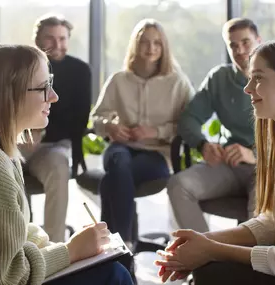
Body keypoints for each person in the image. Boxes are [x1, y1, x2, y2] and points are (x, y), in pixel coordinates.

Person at [0, 44, 133, 285]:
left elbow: (18, 232)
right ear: (10, 94)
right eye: (43, 87)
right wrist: (71, 252)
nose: (54, 96)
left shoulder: (6, 153)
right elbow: (9, 275)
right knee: (115, 275)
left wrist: (62, 248)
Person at [154, 39, 275, 285]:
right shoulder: (273, 140)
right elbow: (272, 222)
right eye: (250, 77)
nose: (248, 88)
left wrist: (211, 250)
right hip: (228, 169)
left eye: (259, 78)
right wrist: (204, 241)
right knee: (207, 265)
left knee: (211, 268)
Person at [91, 18, 194, 276]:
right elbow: (97, 118)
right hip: (121, 148)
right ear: (135, 45)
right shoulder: (119, 79)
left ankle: (116, 253)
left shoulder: (177, 82)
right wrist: (111, 127)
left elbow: (188, 125)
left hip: (156, 155)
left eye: (157, 43)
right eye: (145, 42)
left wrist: (155, 131)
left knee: (110, 182)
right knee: (119, 162)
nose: (151, 48)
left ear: (164, 47)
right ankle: (125, 246)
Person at [167, 18, 261, 232]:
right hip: (227, 165)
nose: (240, 50)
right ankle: (206, 256)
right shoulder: (219, 78)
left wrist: (254, 155)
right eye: (233, 45)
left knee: (261, 203)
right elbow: (189, 119)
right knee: (179, 185)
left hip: (266, 167)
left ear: (259, 41)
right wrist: (203, 145)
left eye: (246, 42)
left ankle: (249, 262)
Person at [19, 14, 91, 242]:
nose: (57, 45)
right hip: (16, 141)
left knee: (60, 165)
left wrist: (42, 131)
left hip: (53, 145)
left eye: (62, 38)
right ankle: (15, 240)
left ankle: (54, 246)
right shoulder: (18, 67)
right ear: (36, 39)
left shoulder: (80, 70)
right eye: (50, 38)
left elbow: (78, 119)